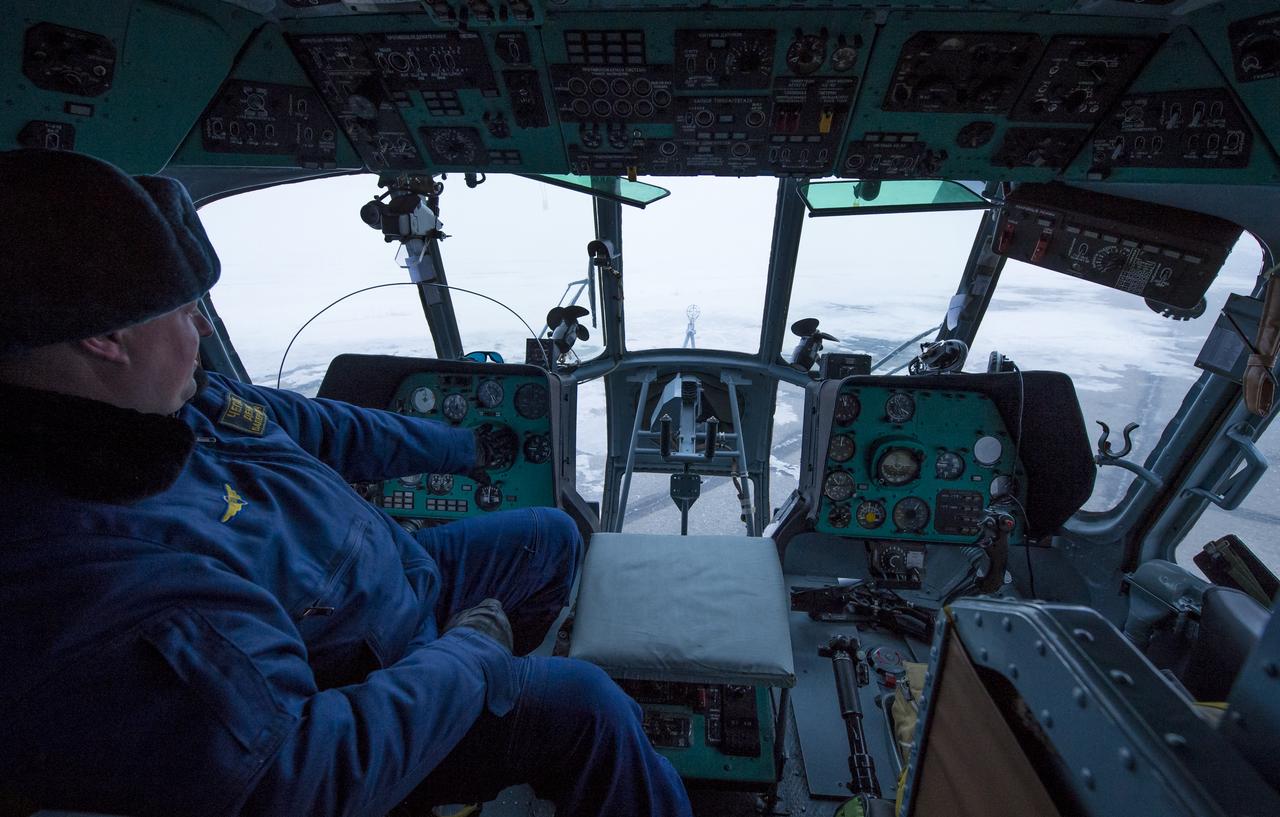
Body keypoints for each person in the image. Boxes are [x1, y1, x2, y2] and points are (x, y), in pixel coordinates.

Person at [0, 148, 692, 817]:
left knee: (551, 538)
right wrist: (472, 656)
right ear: (107, 337)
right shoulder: (81, 566)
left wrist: (463, 447)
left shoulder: (183, 405)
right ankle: (456, 751)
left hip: (397, 585)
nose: (202, 326)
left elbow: (327, 427)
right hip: (364, 690)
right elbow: (292, 776)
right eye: (183, 311)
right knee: (589, 708)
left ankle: (488, 704)